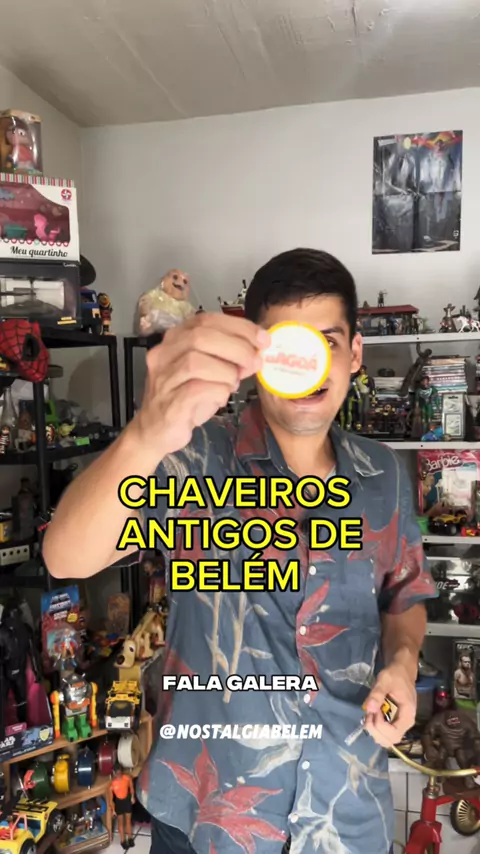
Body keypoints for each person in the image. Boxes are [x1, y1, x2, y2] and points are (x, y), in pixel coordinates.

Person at [43, 248, 437, 854]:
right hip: (207, 816)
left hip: (347, 816)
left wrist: (404, 665)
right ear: (257, 359)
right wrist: (145, 433)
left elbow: (404, 597)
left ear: (355, 353)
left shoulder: (383, 473)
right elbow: (65, 557)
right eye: (288, 346)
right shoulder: (190, 457)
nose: (311, 366)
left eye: (329, 341)